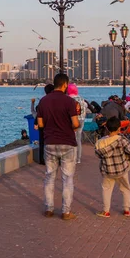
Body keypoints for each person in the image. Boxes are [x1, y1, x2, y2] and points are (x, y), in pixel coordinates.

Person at [37, 74, 80, 220]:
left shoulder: (43, 101)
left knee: (49, 177)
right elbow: (75, 123)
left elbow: (41, 124)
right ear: (65, 85)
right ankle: (66, 211)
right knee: (67, 178)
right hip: (67, 143)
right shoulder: (69, 102)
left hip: (49, 142)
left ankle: (49, 209)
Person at [94, 117, 130, 218]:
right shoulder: (121, 139)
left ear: (107, 128)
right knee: (125, 188)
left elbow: (98, 155)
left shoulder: (100, 142)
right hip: (121, 169)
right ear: (119, 128)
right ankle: (126, 210)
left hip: (107, 170)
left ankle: (106, 211)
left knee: (106, 189)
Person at [31, 84, 54, 165]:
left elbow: (38, 114)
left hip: (42, 124)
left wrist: (36, 123)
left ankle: (41, 159)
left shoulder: (43, 100)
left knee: (42, 143)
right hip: (51, 124)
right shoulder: (54, 100)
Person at [67, 83, 86, 164]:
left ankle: (72, 158)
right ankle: (78, 159)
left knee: (71, 139)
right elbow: (86, 106)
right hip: (81, 120)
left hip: (72, 121)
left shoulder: (68, 99)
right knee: (78, 139)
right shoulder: (81, 99)